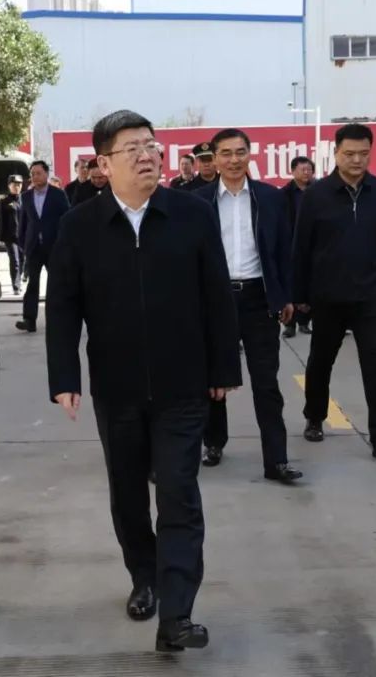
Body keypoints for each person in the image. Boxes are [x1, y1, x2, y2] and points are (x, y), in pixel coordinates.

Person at [46, 110, 241, 653]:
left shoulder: (191, 214)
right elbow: (63, 307)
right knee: (129, 495)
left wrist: (224, 369)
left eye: (151, 145)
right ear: (104, 164)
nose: (146, 155)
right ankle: (144, 576)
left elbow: (216, 294)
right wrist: (64, 376)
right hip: (118, 386)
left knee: (179, 494)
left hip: (184, 385)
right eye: (131, 148)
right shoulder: (80, 226)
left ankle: (176, 614)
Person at [191, 129, 302, 483]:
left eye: (240, 152)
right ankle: (214, 442)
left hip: (258, 299)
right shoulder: (198, 201)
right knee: (214, 379)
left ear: (250, 155)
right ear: (214, 159)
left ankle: (276, 460)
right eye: (226, 153)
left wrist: (284, 295)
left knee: (266, 383)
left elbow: (284, 249)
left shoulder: (270, 198)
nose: (234, 160)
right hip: (215, 299)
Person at [292, 124, 376, 467]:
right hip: (328, 296)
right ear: (336, 153)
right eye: (349, 154)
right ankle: (314, 416)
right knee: (320, 361)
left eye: (364, 154)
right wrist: (300, 295)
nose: (357, 160)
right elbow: (302, 246)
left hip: (370, 298)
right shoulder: (316, 195)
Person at [16, 160, 69, 333]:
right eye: (32, 174)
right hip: (33, 247)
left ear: (46, 174)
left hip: (53, 246)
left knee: (56, 284)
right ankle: (29, 320)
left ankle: (57, 319)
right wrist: (23, 243)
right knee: (32, 283)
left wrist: (64, 243)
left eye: (38, 173)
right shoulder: (26, 196)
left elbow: (66, 219)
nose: (35, 177)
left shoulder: (58, 195)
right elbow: (23, 222)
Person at [281, 155, 315, 339]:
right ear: (293, 171)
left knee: (309, 283)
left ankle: (304, 321)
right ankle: (290, 324)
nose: (306, 172)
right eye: (302, 169)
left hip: (313, 244)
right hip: (290, 244)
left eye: (309, 169)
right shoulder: (284, 193)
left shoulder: (318, 190)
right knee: (291, 284)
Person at [0, 174, 24, 296]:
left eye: (19, 184)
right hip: (10, 237)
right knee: (15, 261)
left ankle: (19, 279)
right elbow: (0, 220)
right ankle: (16, 286)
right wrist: (0, 236)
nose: (17, 187)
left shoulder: (25, 200)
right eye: (14, 185)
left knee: (23, 260)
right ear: (9, 186)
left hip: (23, 236)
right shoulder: (4, 202)